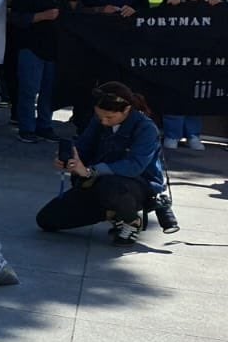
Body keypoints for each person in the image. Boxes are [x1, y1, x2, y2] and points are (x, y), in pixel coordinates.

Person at [38, 82, 167, 245]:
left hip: (136, 185)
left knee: (110, 185)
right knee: (47, 219)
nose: (104, 122)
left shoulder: (146, 128)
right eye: (100, 117)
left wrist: (91, 171)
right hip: (97, 183)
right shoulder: (98, 121)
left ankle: (131, 221)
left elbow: (134, 166)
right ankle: (113, 214)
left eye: (109, 117)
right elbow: (84, 146)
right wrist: (71, 160)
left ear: (126, 110)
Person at [159, 0, 222, 150]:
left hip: (202, 57)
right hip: (176, 56)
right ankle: (172, 134)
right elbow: (155, 24)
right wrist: (169, 9)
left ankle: (194, 135)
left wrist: (220, 7)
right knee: (174, 94)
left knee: (197, 95)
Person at [10, 0, 68, 143]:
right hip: (31, 47)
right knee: (29, 90)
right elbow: (15, 18)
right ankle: (26, 127)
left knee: (49, 91)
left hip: (54, 47)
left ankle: (45, 125)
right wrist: (40, 17)